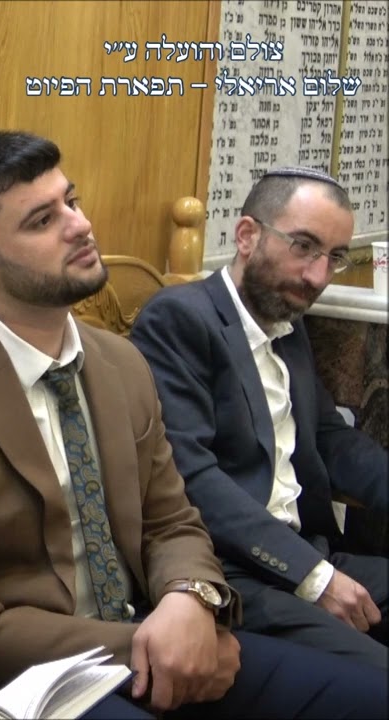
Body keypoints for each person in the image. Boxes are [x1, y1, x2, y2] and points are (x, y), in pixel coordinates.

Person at [0, 131, 388, 718]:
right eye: (43, 220)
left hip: (158, 621)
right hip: (44, 676)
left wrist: (190, 598)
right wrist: (157, 641)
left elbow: (173, 519)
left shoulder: (119, 361)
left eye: (72, 201)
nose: (80, 225)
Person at [130, 166, 388, 670]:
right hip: (232, 572)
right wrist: (314, 577)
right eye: (304, 247)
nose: (318, 277)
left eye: (334, 257)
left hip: (308, 552)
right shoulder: (180, 319)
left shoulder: (284, 317)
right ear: (247, 235)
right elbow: (190, 476)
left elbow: (330, 438)